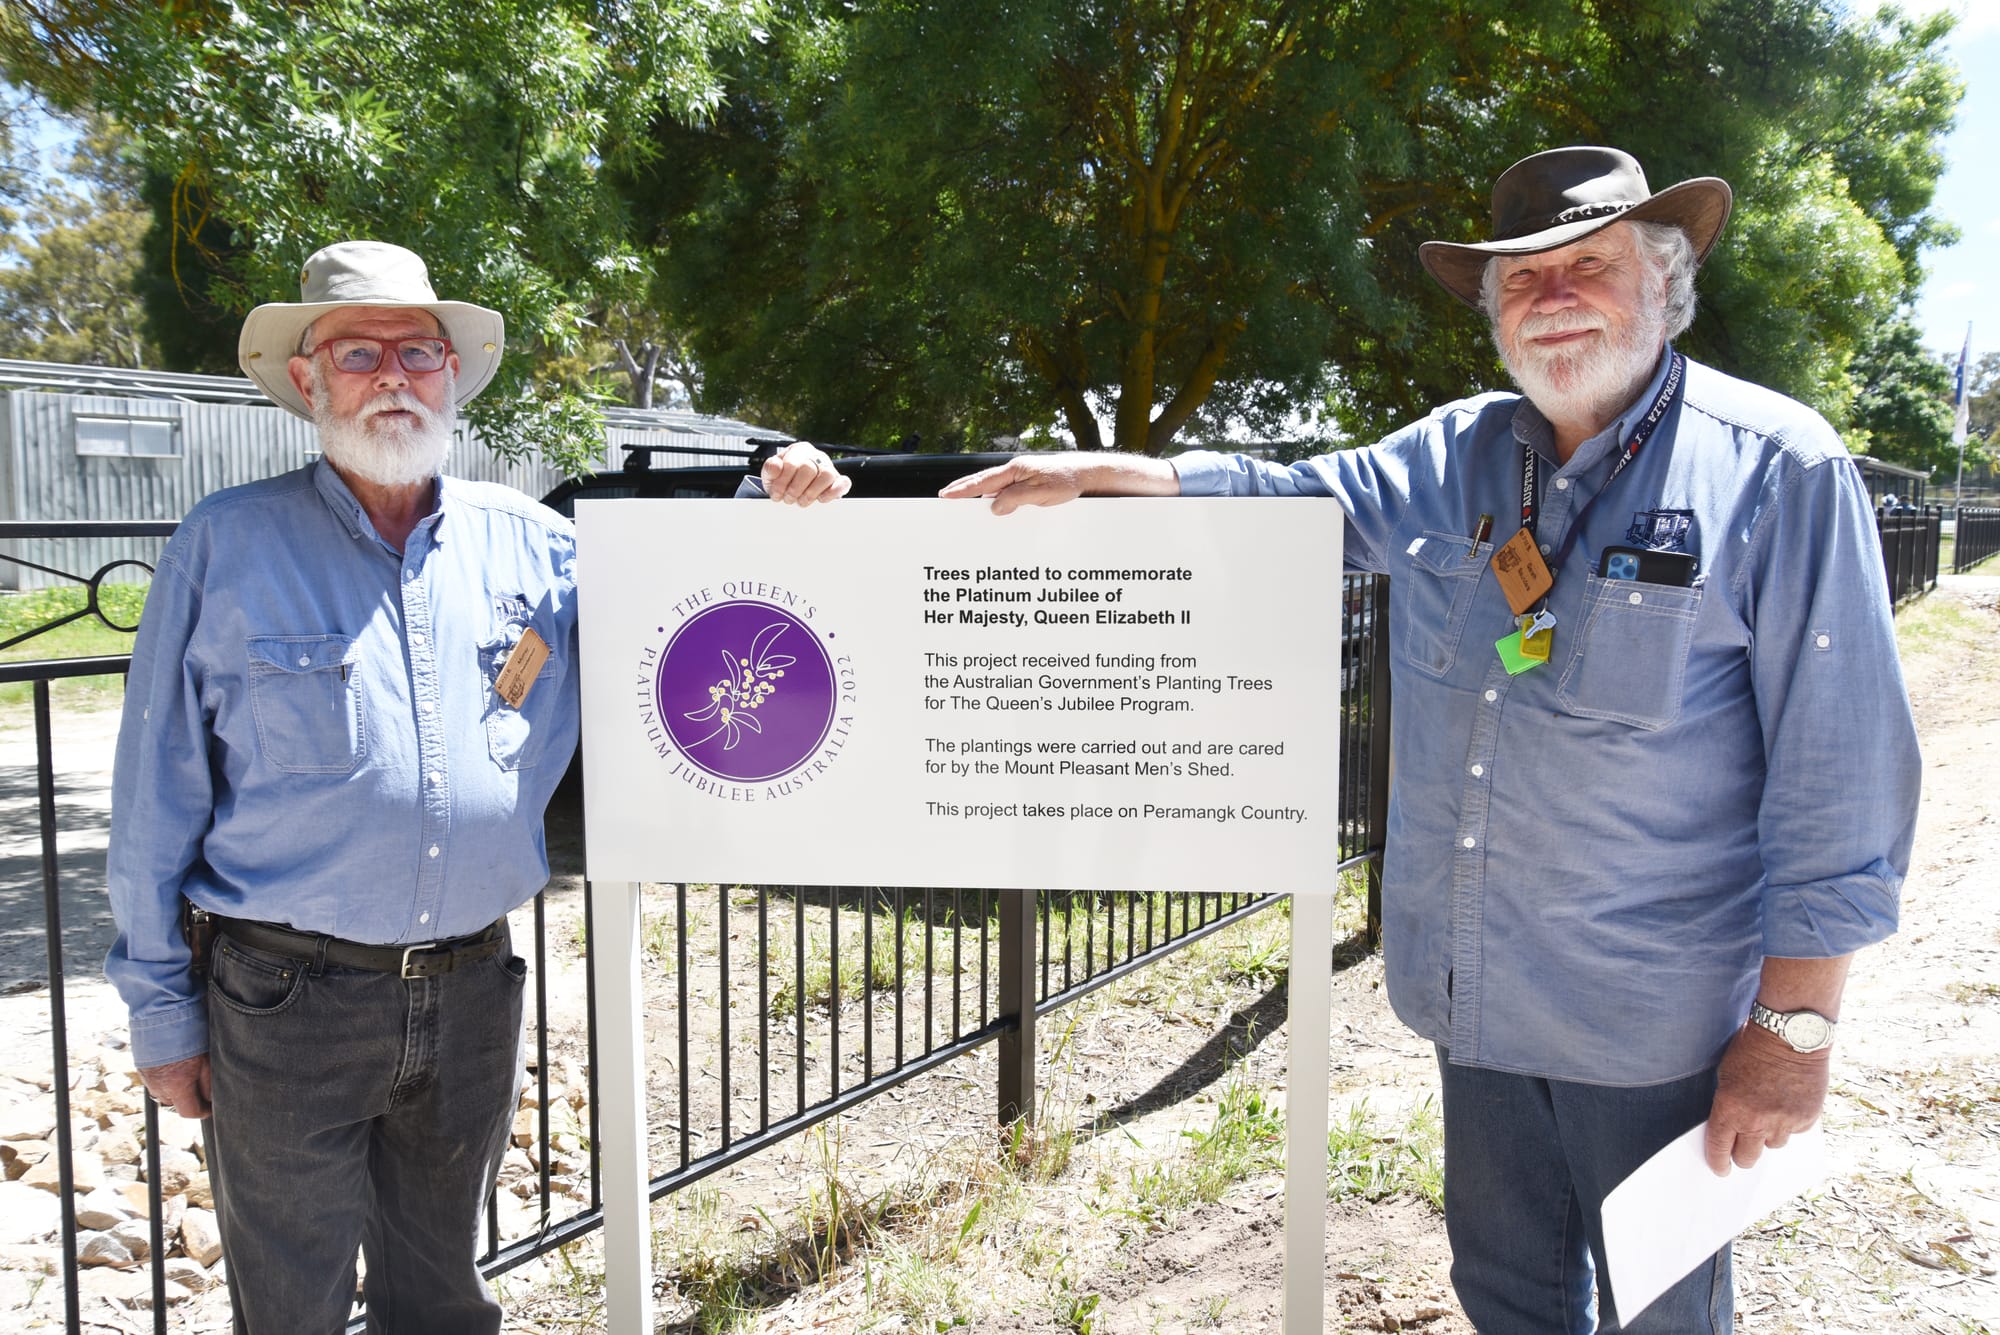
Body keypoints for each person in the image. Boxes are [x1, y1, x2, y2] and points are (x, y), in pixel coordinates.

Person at [943, 147, 1921, 1332]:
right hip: (1475, 994)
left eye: (1588, 266)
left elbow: (1841, 776)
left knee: (1662, 1308)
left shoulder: (1777, 469)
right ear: (1491, 314)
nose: (1551, 296)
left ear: (1661, 285)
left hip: (1649, 1025)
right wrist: (1117, 472)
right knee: (1504, 1294)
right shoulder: (1454, 453)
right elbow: (1290, 498)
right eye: (1520, 280)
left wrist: (1792, 1031)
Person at [103, 239, 847, 1333]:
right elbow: (152, 797)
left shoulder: (536, 546)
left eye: (419, 349)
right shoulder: (227, 545)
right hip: (282, 1000)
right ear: (307, 380)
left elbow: (690, 587)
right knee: (291, 1308)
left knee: (444, 1299)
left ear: (453, 374)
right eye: (357, 352)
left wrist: (781, 489)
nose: (391, 375)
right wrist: (162, 1009)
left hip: (468, 992)